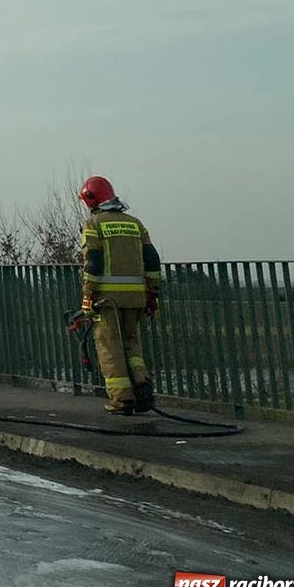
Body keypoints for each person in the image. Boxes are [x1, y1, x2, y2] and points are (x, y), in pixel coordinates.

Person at [79, 175, 163, 414]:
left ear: (90, 199)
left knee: (110, 348)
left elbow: (93, 262)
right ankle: (143, 392)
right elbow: (152, 260)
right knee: (131, 345)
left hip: (107, 301)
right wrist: (152, 292)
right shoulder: (135, 223)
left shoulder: (94, 224)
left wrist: (88, 295)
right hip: (136, 298)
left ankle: (122, 400)